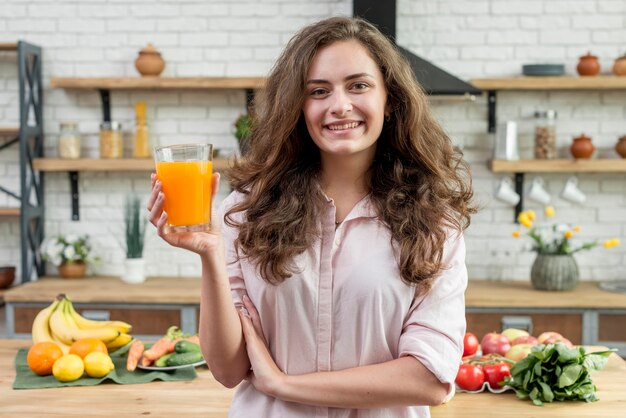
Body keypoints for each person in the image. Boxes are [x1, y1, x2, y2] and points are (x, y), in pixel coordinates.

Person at [148, 16, 475, 418]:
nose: (339, 105)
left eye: (359, 85)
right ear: (298, 108)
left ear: (389, 100)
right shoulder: (246, 210)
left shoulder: (435, 223)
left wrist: (284, 385)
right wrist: (210, 256)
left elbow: (430, 379)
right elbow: (228, 368)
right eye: (319, 91)